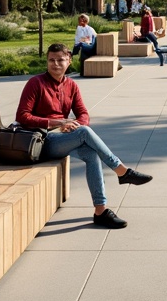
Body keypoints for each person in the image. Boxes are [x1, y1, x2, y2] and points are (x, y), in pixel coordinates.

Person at [16, 43, 153, 229]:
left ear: (69, 61)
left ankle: (100, 210)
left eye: (60, 60)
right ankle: (122, 171)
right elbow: (23, 116)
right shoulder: (36, 83)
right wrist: (59, 123)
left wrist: (72, 126)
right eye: (51, 60)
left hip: (64, 137)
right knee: (85, 132)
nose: (55, 64)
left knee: (91, 153)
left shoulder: (71, 85)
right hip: (41, 141)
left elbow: (83, 114)